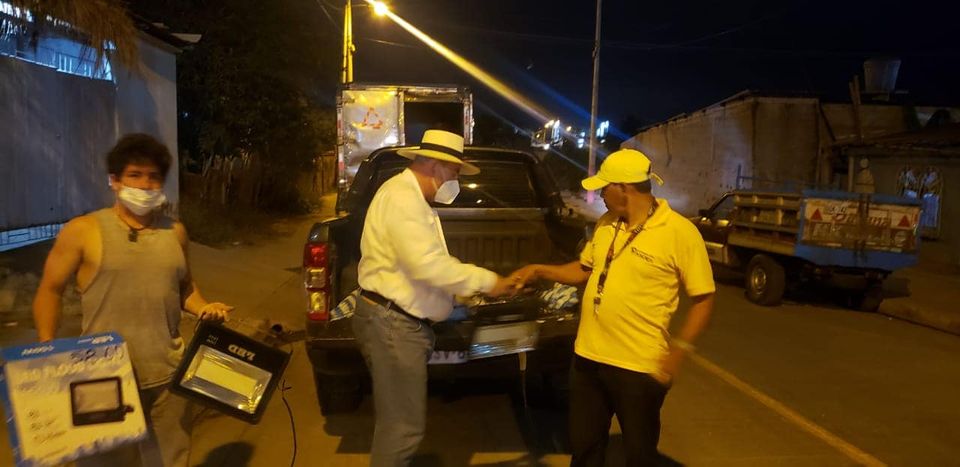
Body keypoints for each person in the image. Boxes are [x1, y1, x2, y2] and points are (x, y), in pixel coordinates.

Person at [32, 133, 233, 467]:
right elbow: (50, 289)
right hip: (102, 376)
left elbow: (185, 287)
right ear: (114, 181)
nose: (145, 185)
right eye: (134, 175)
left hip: (168, 374)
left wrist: (203, 307)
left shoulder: (175, 231)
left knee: (170, 461)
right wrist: (46, 345)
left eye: (153, 177)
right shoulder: (83, 230)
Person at [512, 148, 716, 466]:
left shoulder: (680, 233)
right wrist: (539, 270)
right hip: (588, 360)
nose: (600, 194)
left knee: (640, 455)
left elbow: (703, 300)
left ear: (624, 188)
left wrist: (678, 352)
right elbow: (585, 270)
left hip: (639, 367)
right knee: (585, 449)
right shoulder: (607, 223)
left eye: (604, 188)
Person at [352, 129, 516, 466]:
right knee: (402, 430)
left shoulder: (411, 197)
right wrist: (489, 281)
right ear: (435, 165)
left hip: (397, 321)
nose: (455, 180)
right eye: (454, 171)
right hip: (394, 326)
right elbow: (428, 265)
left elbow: (420, 265)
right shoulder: (403, 199)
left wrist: (455, 297)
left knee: (399, 425)